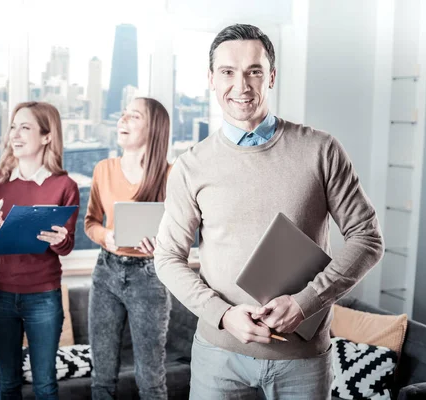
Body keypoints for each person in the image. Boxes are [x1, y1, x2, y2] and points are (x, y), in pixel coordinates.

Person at [154, 24, 384, 400]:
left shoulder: (321, 150)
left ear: (271, 76)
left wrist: (305, 303)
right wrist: (224, 315)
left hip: (303, 360)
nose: (241, 85)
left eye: (254, 71)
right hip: (218, 357)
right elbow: (167, 257)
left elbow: (368, 238)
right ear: (211, 79)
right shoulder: (190, 165)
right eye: (228, 72)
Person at [0, 101, 79, 399]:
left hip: (44, 298)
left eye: (25, 127)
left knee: (45, 384)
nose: (15, 134)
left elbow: (67, 245)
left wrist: (58, 239)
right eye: (13, 127)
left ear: (47, 136)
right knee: (7, 382)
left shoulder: (65, 185)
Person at [85, 97, 172, 400]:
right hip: (106, 272)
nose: (123, 120)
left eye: (133, 116)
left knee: (151, 380)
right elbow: (91, 222)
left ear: (154, 129)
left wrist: (162, 245)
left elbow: (185, 234)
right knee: (102, 378)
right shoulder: (103, 169)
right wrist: (105, 237)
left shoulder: (172, 176)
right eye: (123, 114)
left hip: (150, 278)